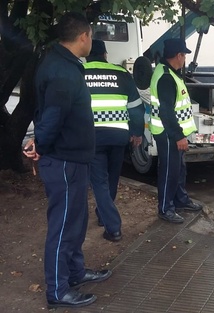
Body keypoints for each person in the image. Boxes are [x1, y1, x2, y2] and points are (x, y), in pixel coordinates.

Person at [22, 12, 111, 309]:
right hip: (63, 162)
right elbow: (53, 116)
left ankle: (74, 272)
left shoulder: (65, 64)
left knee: (76, 221)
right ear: (83, 36)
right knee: (63, 226)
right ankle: (58, 290)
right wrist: (40, 146)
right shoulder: (62, 70)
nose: (91, 39)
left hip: (73, 160)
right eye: (91, 35)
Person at [84, 39, 145, 242]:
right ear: (105, 55)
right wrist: (137, 133)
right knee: (111, 179)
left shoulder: (79, 72)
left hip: (92, 137)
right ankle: (104, 216)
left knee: (99, 182)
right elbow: (136, 108)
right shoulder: (121, 74)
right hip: (119, 136)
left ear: (87, 54)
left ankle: (113, 228)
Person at [149, 38, 203, 224]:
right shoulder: (165, 76)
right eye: (184, 55)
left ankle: (180, 200)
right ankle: (165, 208)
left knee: (178, 169)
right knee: (169, 171)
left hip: (172, 133)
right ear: (178, 55)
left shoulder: (171, 73)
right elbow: (166, 111)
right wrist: (178, 136)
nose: (185, 59)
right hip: (168, 133)